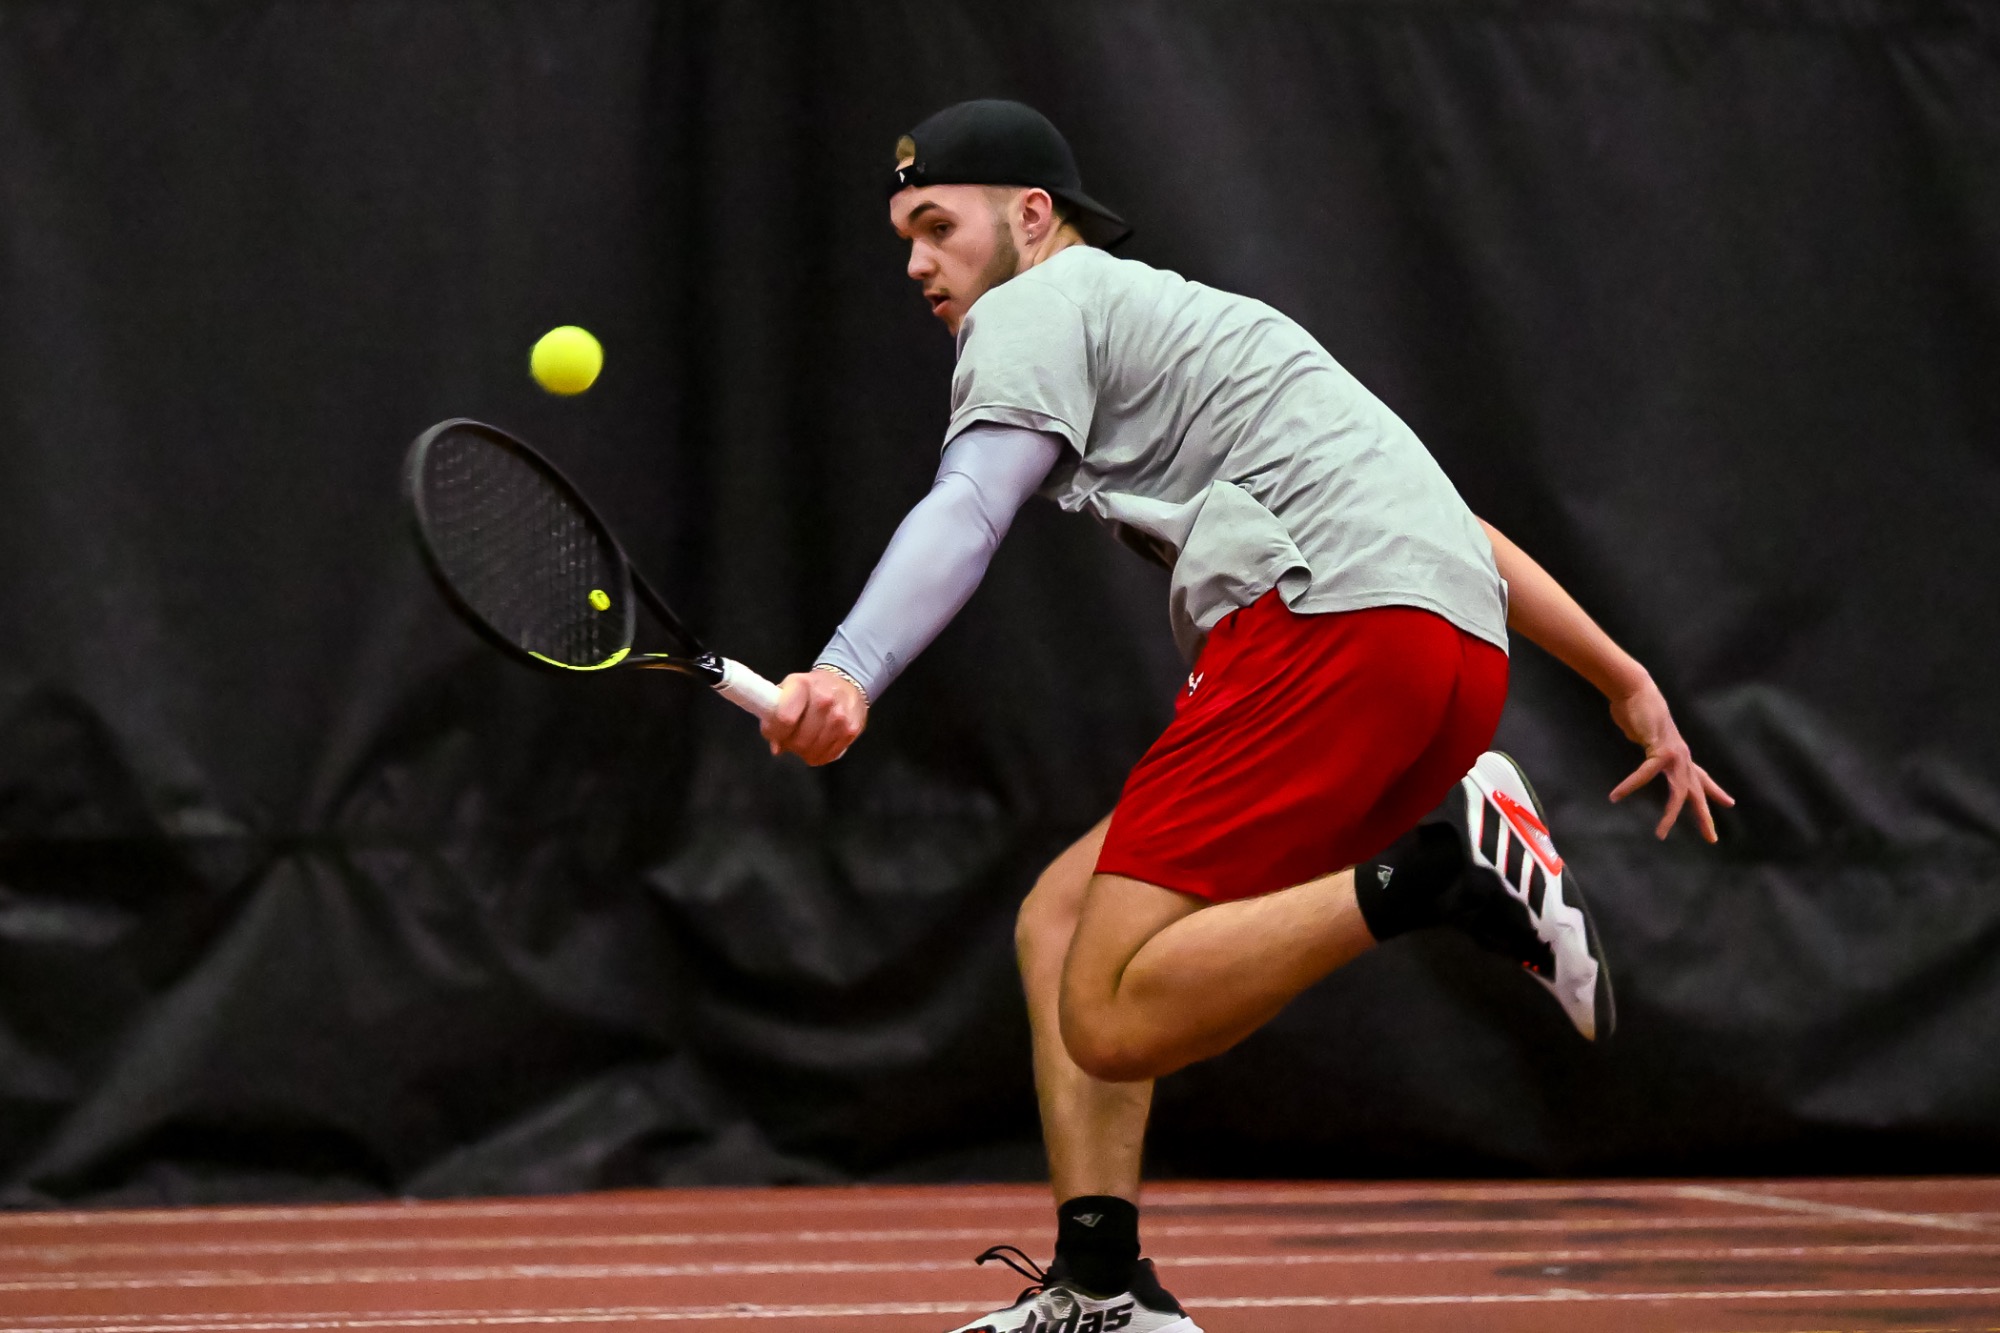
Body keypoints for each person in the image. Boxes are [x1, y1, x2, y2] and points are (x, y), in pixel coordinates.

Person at [760, 99, 1734, 1333]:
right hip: (1449, 661)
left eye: (937, 227)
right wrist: (1621, 678)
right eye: (903, 236)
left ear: (1031, 216)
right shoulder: (1203, 328)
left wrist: (848, 670)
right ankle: (1101, 1287)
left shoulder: (1035, 304)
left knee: (1104, 1015)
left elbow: (969, 504)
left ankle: (1440, 873)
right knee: (1060, 919)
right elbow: (1455, 526)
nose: (915, 262)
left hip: (1328, 631)